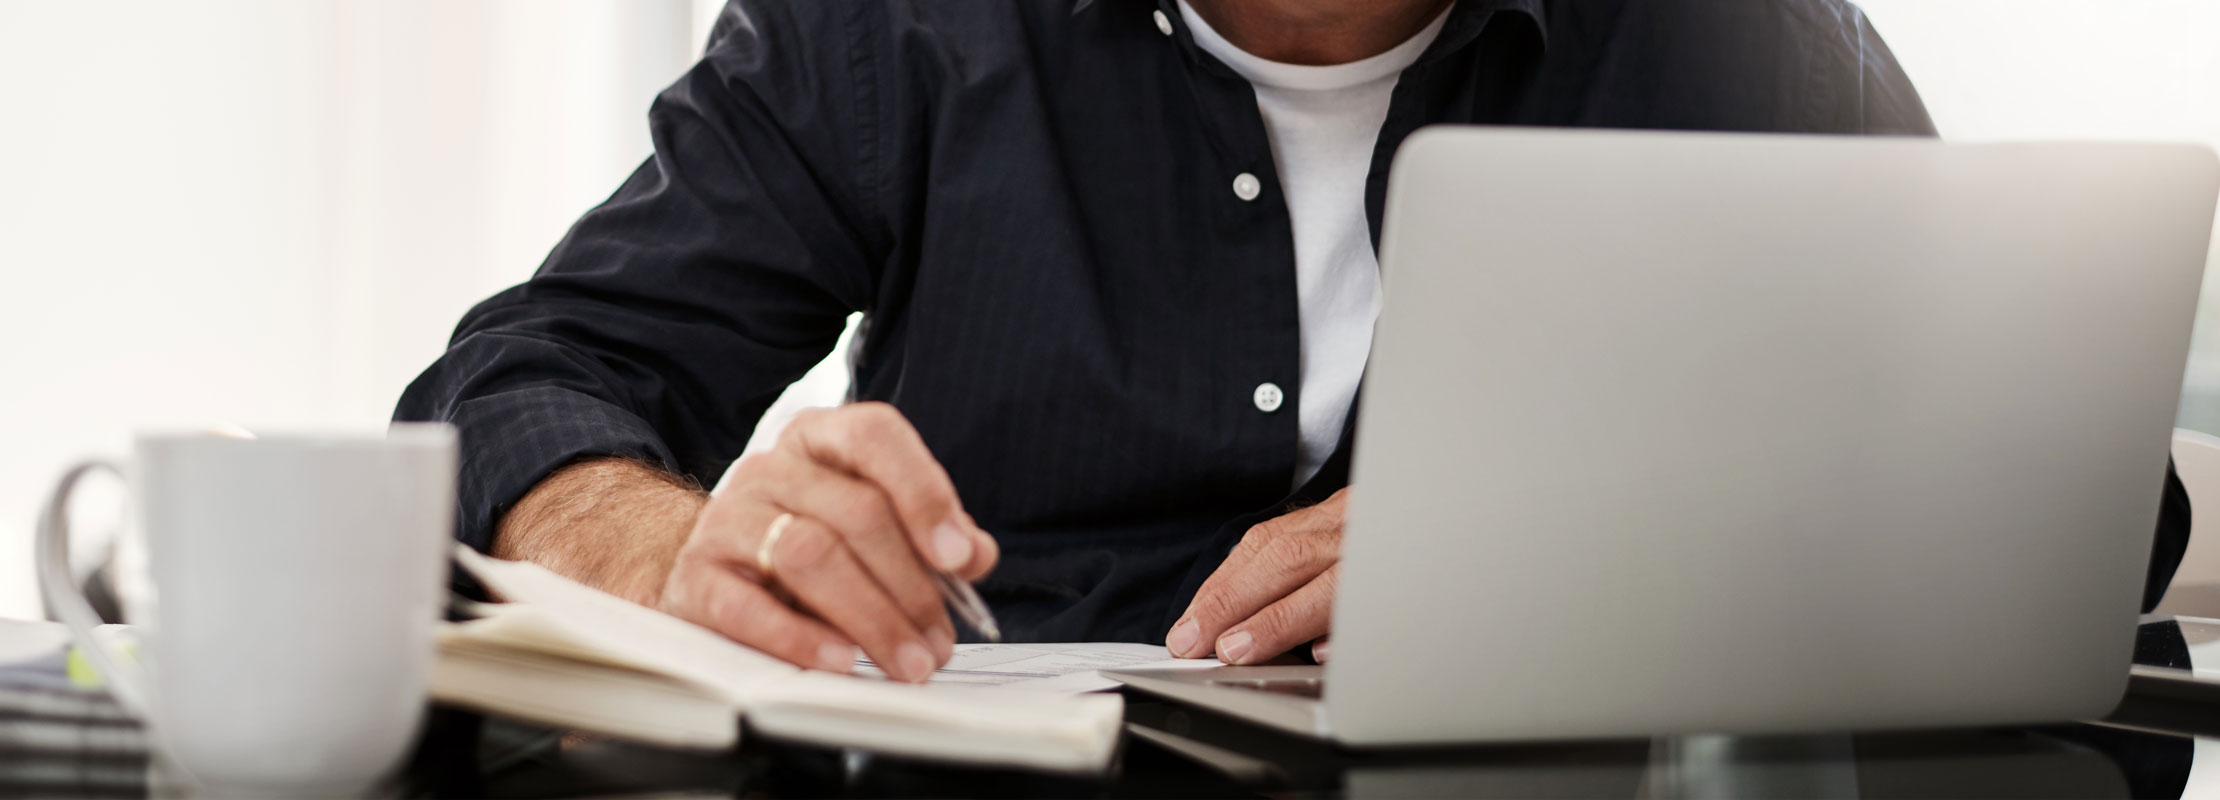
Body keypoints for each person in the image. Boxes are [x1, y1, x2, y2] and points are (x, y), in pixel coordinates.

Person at [398, 0, 2190, 684]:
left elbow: (2081, 497)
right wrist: (672, 549)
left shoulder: (1742, 39)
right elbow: (510, 387)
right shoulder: (896, 27)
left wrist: (1617, 545)